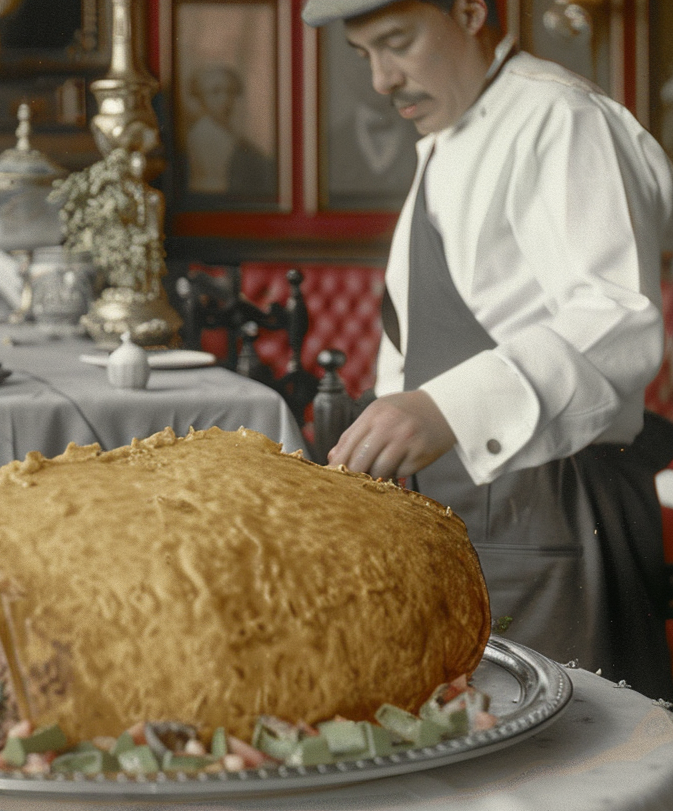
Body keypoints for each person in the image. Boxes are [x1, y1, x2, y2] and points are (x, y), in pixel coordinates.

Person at [304, 0, 673, 698]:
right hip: (458, 517)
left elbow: (618, 319)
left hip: (557, 518)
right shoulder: (453, 131)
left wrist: (447, 410)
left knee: (573, 767)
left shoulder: (560, 120)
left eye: (397, 42)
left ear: (472, 10)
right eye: (365, 56)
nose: (382, 79)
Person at [184, 65, 276, 200]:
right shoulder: (202, 134)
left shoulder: (228, 130)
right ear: (200, 96)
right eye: (216, 92)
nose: (226, 99)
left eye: (231, 92)